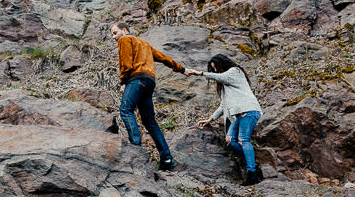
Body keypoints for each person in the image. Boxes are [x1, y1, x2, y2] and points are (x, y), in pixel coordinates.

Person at [110, 21, 185, 171]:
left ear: (124, 30)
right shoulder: (144, 44)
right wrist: (182, 69)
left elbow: (125, 63)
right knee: (150, 122)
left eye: (115, 33)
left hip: (136, 79)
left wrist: (123, 82)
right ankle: (167, 160)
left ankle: (135, 149)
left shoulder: (125, 39)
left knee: (125, 110)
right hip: (149, 82)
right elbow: (164, 58)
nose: (114, 37)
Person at [186, 54, 262, 186]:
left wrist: (200, 73)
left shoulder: (235, 72)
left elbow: (223, 77)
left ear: (223, 64)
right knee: (231, 140)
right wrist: (210, 119)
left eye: (216, 68)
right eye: (213, 70)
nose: (215, 71)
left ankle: (252, 174)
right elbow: (223, 105)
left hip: (248, 110)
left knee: (243, 140)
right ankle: (253, 165)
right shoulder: (225, 85)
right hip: (237, 115)